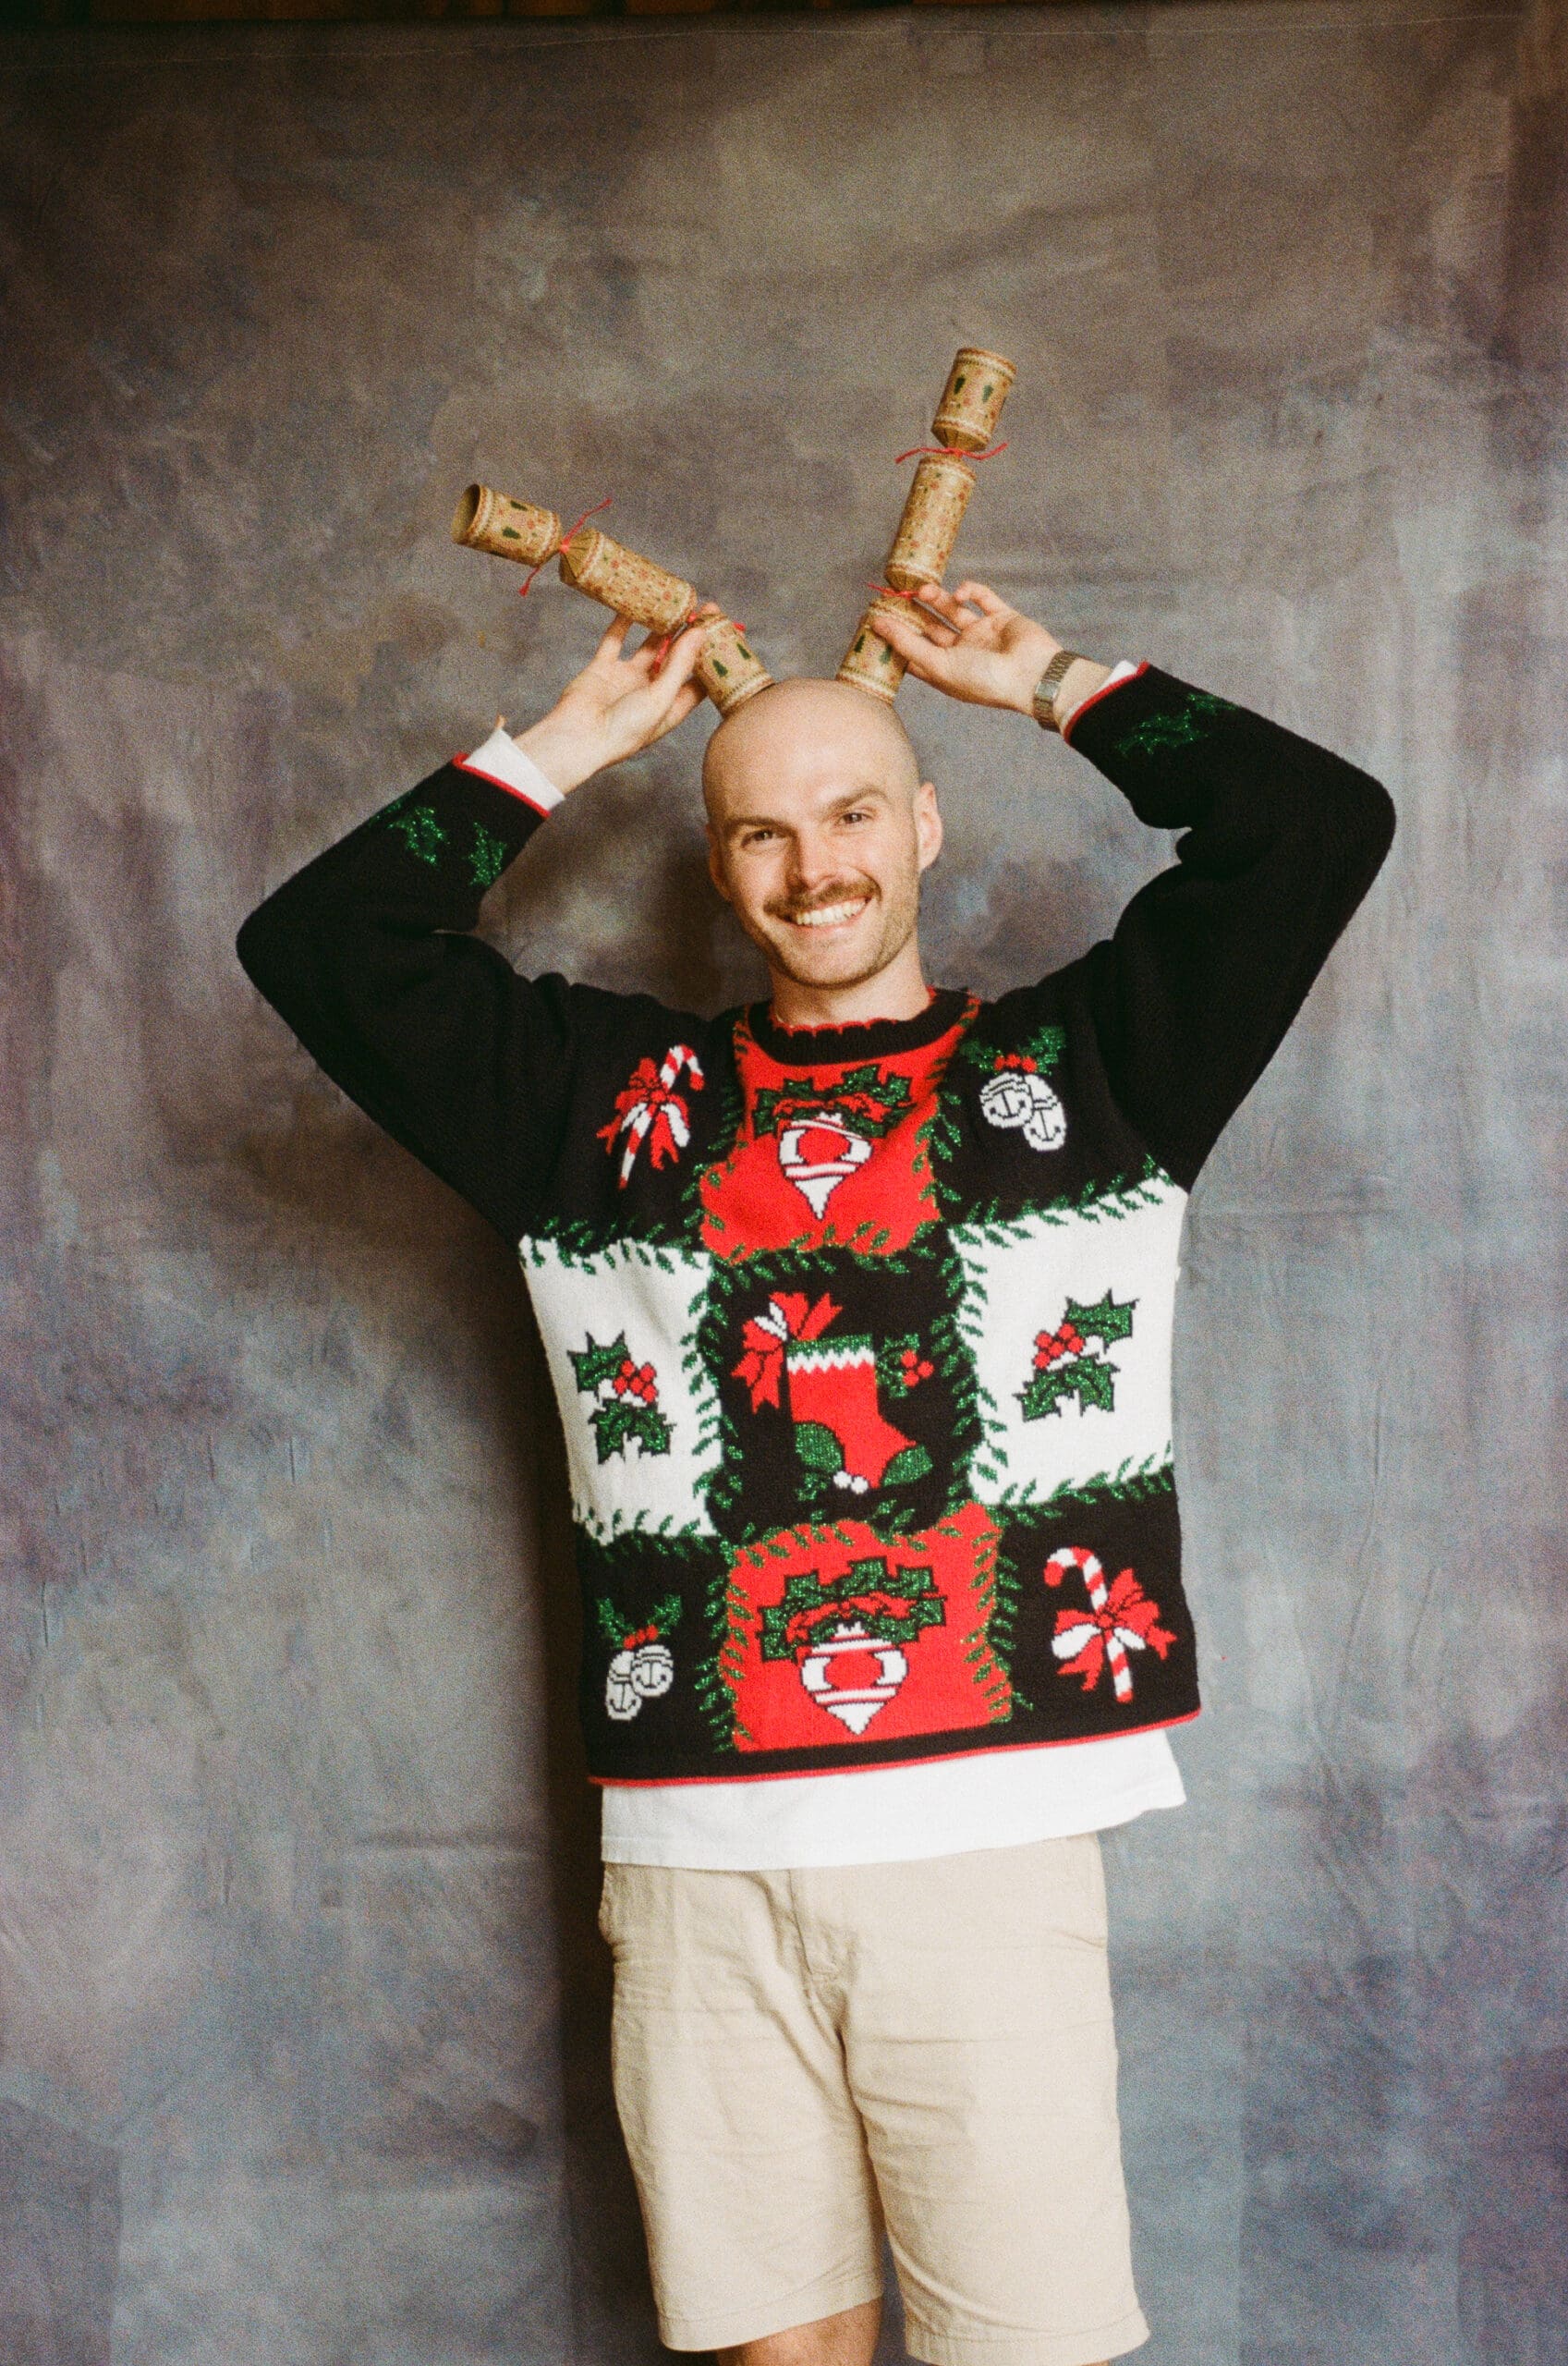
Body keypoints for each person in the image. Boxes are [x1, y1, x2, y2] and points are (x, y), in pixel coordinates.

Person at [237, 577, 1394, 2366]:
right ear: (717, 867)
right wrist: (566, 745)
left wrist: (1047, 678)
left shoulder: (1089, 1073)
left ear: (923, 825)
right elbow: (320, 944)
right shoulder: (596, 1111)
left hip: (983, 1842)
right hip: (693, 1855)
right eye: (760, 832)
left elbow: (1316, 827)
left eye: (852, 813)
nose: (813, 868)